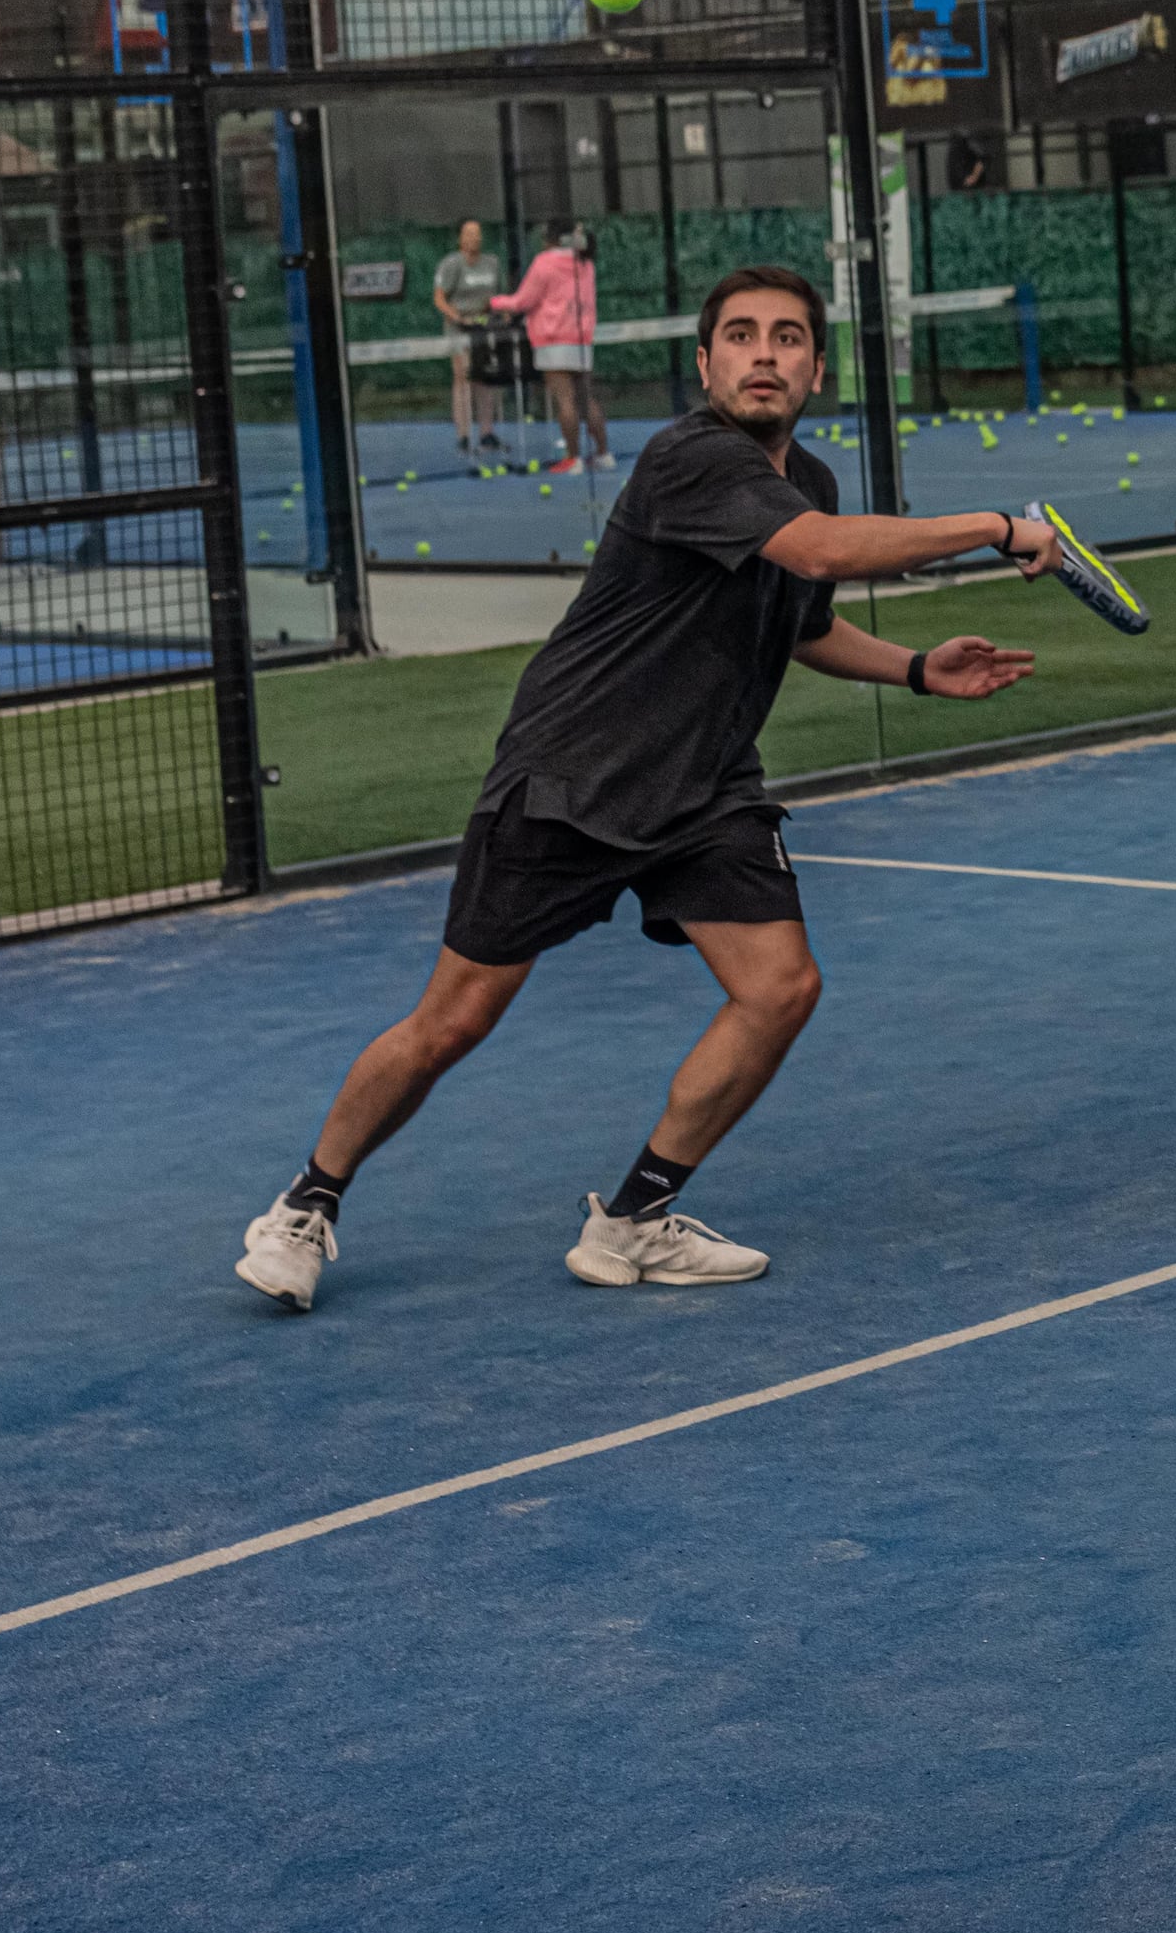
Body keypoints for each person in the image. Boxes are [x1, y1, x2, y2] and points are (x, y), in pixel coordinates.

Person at [234, 265, 1051, 1308]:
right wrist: (996, 522)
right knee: (453, 1019)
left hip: (704, 788)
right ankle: (306, 1202)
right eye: (742, 335)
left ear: (816, 367)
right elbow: (816, 548)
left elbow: (799, 620)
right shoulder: (688, 458)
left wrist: (913, 667)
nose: (765, 353)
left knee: (780, 987)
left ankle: (632, 1219)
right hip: (573, 773)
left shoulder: (812, 476)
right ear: (705, 361)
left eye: (789, 337)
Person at [496, 223, 606, 469]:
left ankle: (573, 458)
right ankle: (603, 454)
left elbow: (522, 301)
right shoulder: (586, 263)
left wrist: (493, 303)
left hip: (553, 340)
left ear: (552, 240)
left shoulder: (544, 262)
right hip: (581, 339)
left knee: (565, 400)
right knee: (587, 399)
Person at [431, 217, 509, 456]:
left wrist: (502, 315)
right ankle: (464, 436)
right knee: (463, 378)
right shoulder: (451, 264)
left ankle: (486, 432)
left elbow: (499, 296)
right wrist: (456, 317)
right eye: (469, 234)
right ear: (460, 238)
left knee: (486, 380)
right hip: (459, 329)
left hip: (485, 328)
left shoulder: (492, 263)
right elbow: (439, 298)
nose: (474, 238)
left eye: (477, 234)